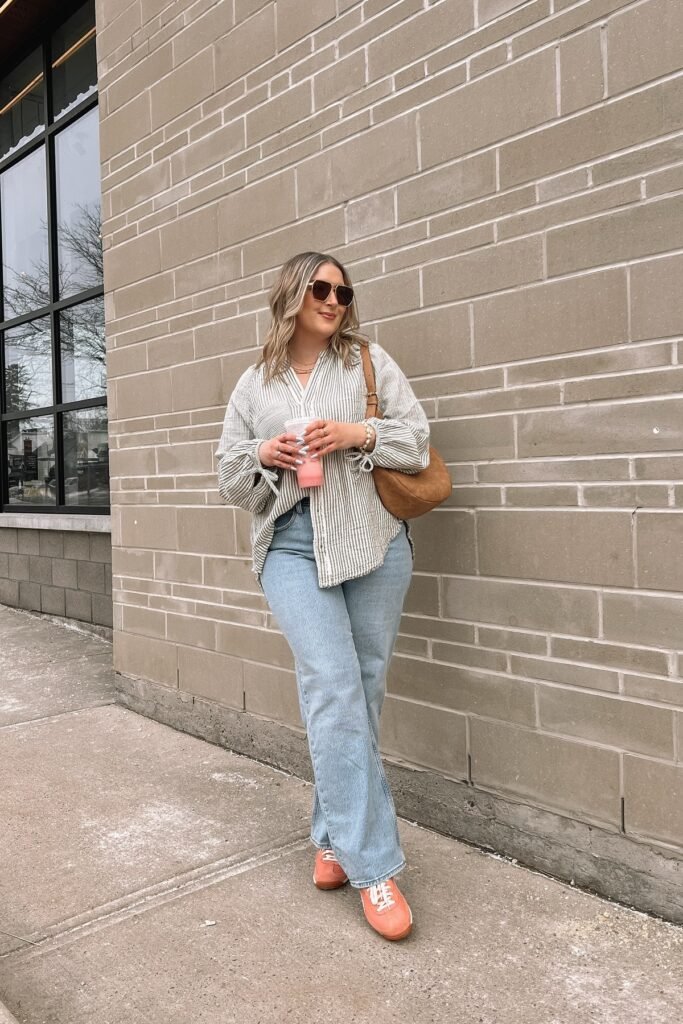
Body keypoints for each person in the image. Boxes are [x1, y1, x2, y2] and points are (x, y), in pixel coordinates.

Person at [216, 251, 430, 941]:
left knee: (360, 692)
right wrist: (263, 455)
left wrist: (354, 433)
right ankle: (375, 868)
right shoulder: (255, 384)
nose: (334, 299)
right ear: (292, 294)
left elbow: (416, 442)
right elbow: (227, 477)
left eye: (343, 290)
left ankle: (332, 837)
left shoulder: (368, 361)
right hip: (291, 547)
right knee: (333, 687)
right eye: (320, 288)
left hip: (373, 542)